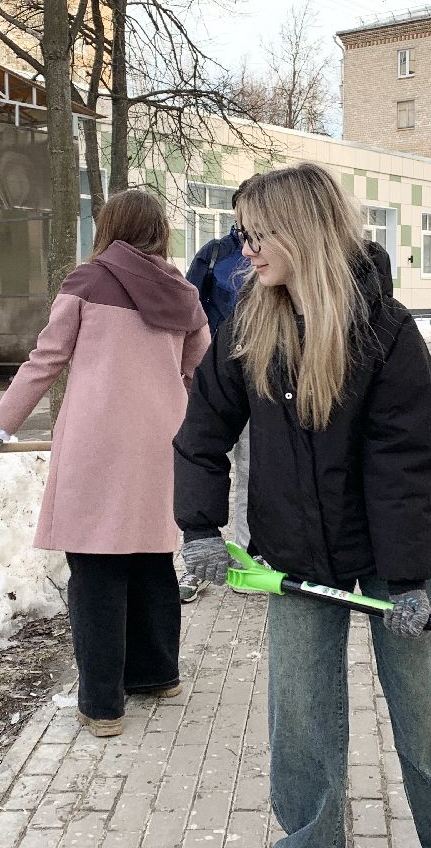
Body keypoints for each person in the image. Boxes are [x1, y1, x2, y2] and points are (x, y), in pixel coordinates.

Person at [173, 163, 431, 848]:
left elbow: (406, 463)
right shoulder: (251, 326)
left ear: (303, 232)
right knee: (301, 720)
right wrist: (199, 526)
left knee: (428, 717)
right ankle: (311, 840)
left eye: (260, 235)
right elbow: (201, 432)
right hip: (296, 552)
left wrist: (410, 581)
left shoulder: (384, 330)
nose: (247, 250)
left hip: (397, 558)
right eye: (243, 235)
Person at [0, 190, 209, 738]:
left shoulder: (88, 280)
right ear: (160, 230)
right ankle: (158, 675)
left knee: (97, 569)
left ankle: (102, 705)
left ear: (110, 227)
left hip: (97, 444)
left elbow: (45, 359)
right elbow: (200, 370)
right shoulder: (184, 293)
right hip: (161, 443)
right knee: (152, 558)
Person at [178, 178, 258, 602]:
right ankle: (194, 564)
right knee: (202, 462)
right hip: (214, 377)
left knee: (251, 470)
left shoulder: (275, 251)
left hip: (260, 376)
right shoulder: (214, 255)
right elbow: (190, 311)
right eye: (245, 212)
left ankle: (246, 556)